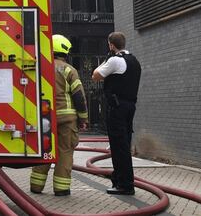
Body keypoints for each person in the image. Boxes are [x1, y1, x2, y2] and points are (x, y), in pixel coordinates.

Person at [30, 34, 88, 196]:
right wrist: (83, 118)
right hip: (67, 119)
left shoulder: (40, 67)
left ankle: (36, 186)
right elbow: (79, 97)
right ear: (64, 51)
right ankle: (61, 189)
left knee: (44, 151)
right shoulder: (69, 70)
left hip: (44, 118)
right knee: (65, 152)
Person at [92, 31, 142, 196]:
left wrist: (105, 61)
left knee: (118, 146)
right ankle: (122, 180)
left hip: (117, 108)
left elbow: (96, 75)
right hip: (130, 107)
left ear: (111, 45)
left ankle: (124, 185)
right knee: (124, 145)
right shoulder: (134, 60)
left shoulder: (114, 60)